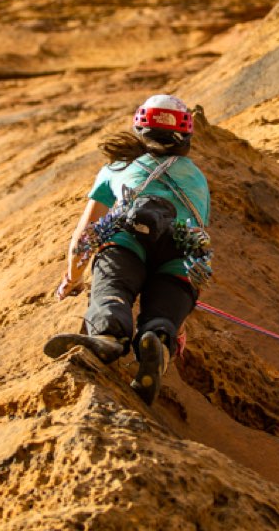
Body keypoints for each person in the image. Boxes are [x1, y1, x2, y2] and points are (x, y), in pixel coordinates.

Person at [44, 94, 213, 405]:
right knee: (165, 311)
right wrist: (179, 324)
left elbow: (85, 235)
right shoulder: (198, 180)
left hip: (126, 242)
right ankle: (159, 339)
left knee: (113, 288)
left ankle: (107, 334)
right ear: (185, 134)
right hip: (178, 255)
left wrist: (74, 276)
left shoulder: (117, 167)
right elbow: (198, 251)